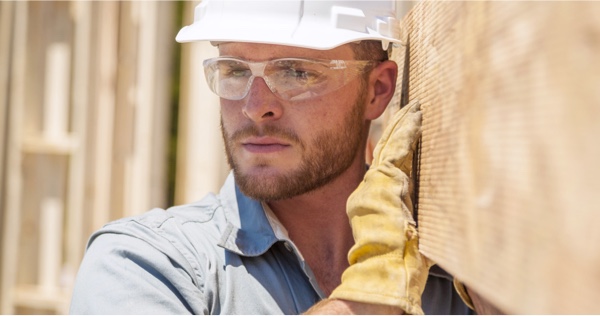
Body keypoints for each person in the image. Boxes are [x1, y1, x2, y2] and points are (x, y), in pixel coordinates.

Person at [70, 1, 479, 314]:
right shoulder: (149, 264)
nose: (255, 106)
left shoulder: (455, 275)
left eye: (296, 73)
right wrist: (374, 292)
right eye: (234, 70)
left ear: (376, 90)